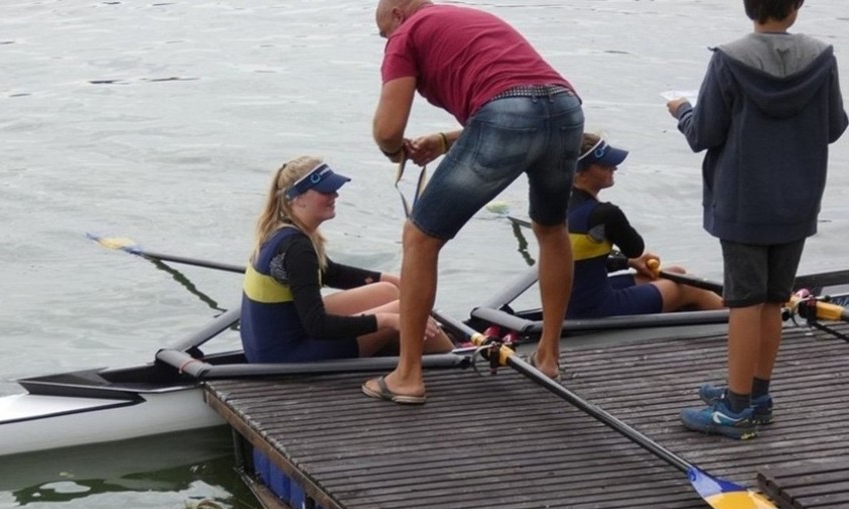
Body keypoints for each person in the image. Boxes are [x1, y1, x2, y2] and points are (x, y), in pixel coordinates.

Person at [362, 0, 583, 405]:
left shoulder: (405, 33)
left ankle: (407, 376)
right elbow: (523, 95)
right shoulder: (467, 17)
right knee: (552, 228)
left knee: (420, 238)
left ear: (396, 15)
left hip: (507, 114)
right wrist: (444, 140)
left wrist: (393, 151)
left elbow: (388, 129)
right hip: (566, 107)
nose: (386, 42)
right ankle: (548, 357)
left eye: (383, 34)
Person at [667, 0, 846, 439]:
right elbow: (833, 126)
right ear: (797, 7)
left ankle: (735, 407)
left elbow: (703, 133)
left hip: (744, 204)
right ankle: (757, 394)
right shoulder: (822, 57)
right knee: (773, 299)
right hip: (798, 199)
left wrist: (682, 110)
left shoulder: (728, 59)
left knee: (744, 302)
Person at [240, 155, 452, 370]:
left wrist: (392, 279)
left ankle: (412, 346)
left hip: (271, 344)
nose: (335, 195)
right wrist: (388, 320)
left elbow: (330, 272)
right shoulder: (298, 248)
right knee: (406, 310)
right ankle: (453, 358)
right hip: (286, 360)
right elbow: (318, 326)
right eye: (325, 190)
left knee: (388, 290)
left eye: (334, 189)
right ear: (297, 198)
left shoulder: (281, 231)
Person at [567, 132, 724, 319]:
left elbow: (580, 260)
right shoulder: (605, 213)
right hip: (595, 309)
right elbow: (635, 248)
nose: (614, 167)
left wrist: (628, 263)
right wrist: (632, 257)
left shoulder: (558, 206)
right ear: (580, 174)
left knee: (677, 273)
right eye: (604, 165)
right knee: (692, 287)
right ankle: (741, 325)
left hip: (569, 302)